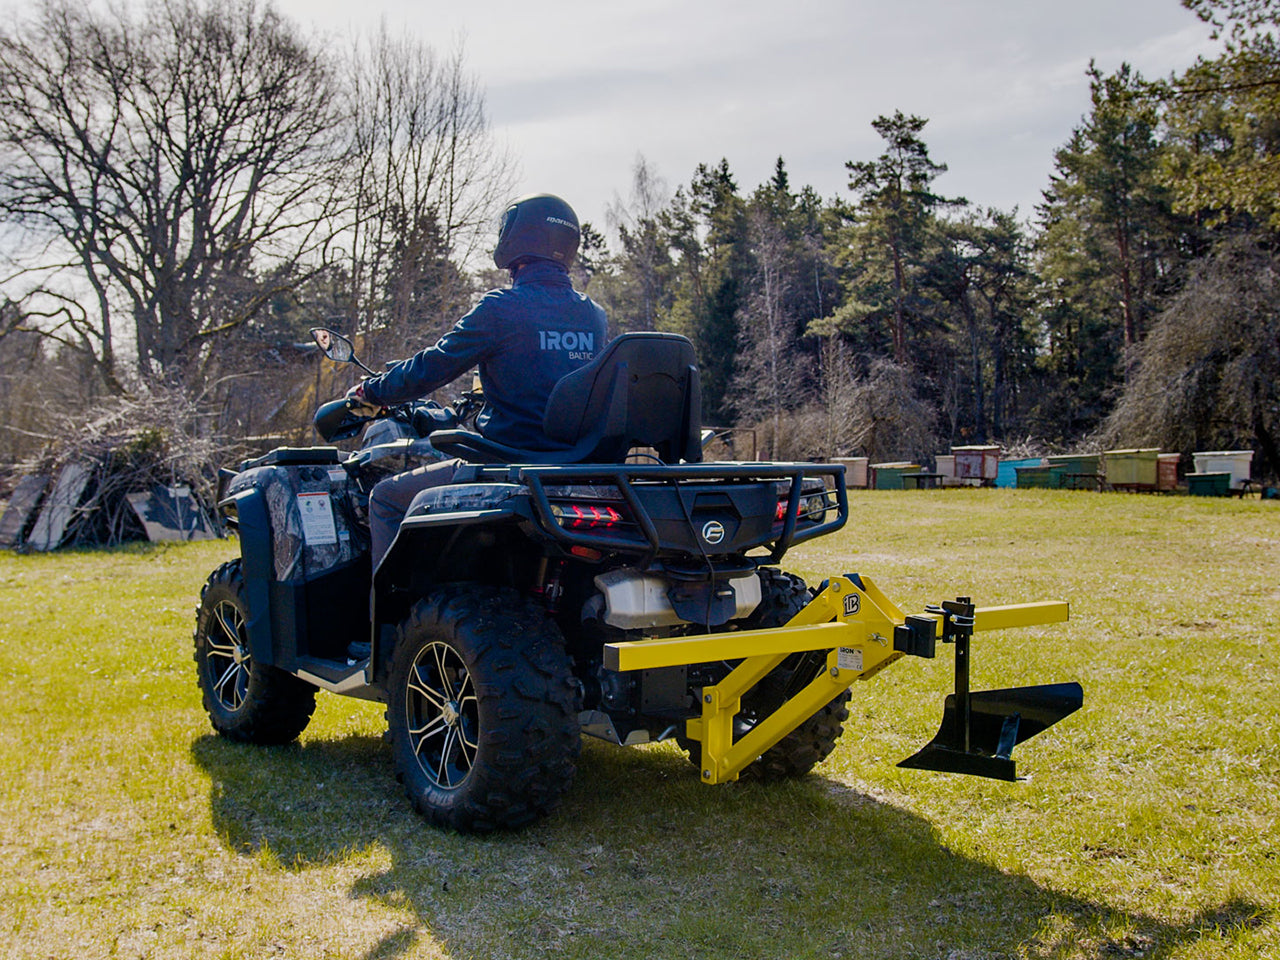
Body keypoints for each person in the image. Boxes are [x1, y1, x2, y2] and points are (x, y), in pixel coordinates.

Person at [347, 193, 608, 568]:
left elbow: (430, 368)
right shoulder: (593, 316)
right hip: (576, 465)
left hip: (505, 458)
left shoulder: (500, 309)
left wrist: (371, 390)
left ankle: (388, 623)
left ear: (515, 239)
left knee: (385, 498)